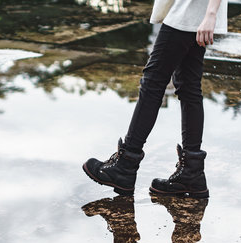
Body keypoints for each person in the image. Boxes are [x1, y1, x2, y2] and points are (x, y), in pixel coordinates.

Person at [82, 0, 227, 198]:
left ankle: (125, 166)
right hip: (193, 11)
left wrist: (211, 13)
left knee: (153, 82)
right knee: (188, 87)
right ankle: (192, 174)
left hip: (190, 10)